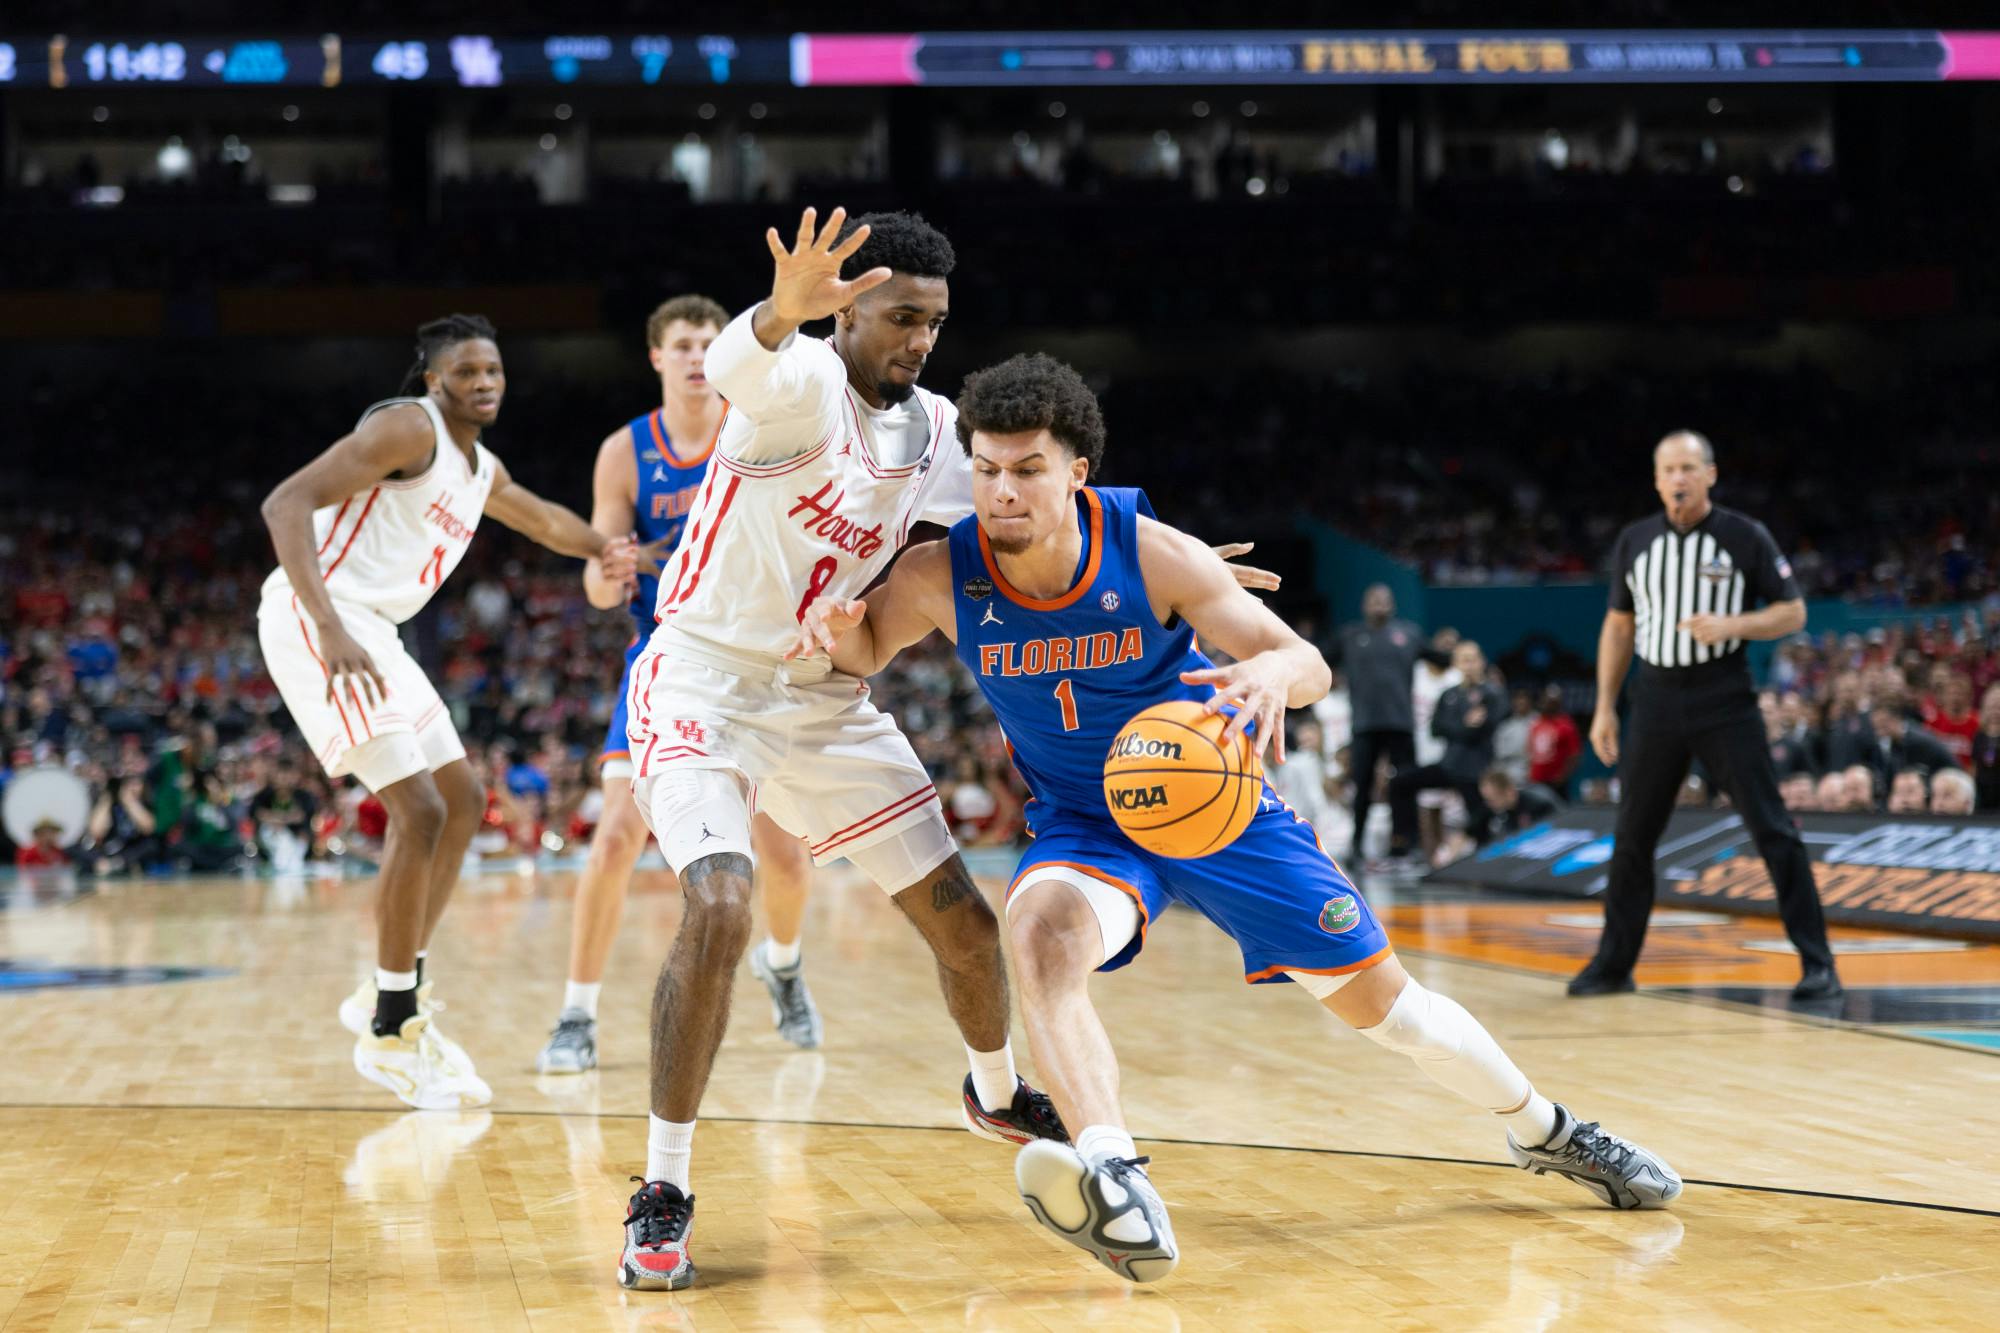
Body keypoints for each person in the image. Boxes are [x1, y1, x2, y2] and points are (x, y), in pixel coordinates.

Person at [793, 352, 1679, 1284]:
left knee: (1394, 1015)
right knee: (1040, 935)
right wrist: (831, 632)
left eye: (1026, 470)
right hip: (1088, 822)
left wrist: (1270, 673)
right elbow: (865, 642)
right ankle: (1114, 1171)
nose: (1001, 490)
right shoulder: (943, 571)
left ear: (1075, 473)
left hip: (1219, 807)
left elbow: (1307, 663)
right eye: (985, 469)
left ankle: (1546, 1129)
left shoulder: (1151, 553)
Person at [614, 208, 1275, 1291]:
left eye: (934, 319)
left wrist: (1186, 567)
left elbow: (1054, 506)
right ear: (849, 312)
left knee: (969, 931)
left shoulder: (932, 430)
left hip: (823, 694)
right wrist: (784, 309)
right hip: (701, 680)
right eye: (900, 315)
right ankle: (663, 1184)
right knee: (723, 902)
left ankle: (994, 1087)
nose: (920, 337)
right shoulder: (798, 386)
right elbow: (746, 361)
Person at [257, 313, 640, 1111]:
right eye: (467, 370)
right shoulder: (407, 427)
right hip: (319, 615)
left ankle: (390, 990)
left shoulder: (479, 468)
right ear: (434, 379)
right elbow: (285, 502)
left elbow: (541, 519)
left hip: (378, 631)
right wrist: (327, 626)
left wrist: (605, 549)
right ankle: (392, 1027)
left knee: (463, 799)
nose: (485, 381)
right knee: (418, 808)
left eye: (494, 369)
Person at [538, 295, 819, 1077]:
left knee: (787, 860)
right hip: (661, 657)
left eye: (710, 342)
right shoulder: (624, 452)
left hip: (756, 656)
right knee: (617, 835)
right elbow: (598, 582)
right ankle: (576, 1013)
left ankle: (785, 965)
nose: (699, 355)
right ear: (656, 356)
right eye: (684, 343)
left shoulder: (755, 426)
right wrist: (609, 569)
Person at [1577, 430, 1839, 1002]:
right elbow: (1619, 626)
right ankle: (1613, 964)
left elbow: (1793, 612)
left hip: (1724, 696)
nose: (1679, 478)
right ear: (1656, 479)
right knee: (1631, 839)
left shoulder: (1746, 536)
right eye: (1669, 469)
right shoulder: (1635, 541)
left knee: (1772, 828)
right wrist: (1603, 707)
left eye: (1689, 468)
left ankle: (1818, 964)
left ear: (1710, 475)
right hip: (1654, 698)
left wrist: (1735, 625)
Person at [1331, 585, 1427, 862]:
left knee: (1406, 784)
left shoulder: (1409, 634)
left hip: (1401, 723)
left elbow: (1440, 659)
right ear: (1364, 604)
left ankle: (1407, 845)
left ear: (1393, 605)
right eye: (1374, 600)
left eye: (1385, 600)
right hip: (1364, 724)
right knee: (1361, 785)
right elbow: (1319, 657)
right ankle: (1357, 844)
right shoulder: (1349, 635)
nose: (1379, 604)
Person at [1389, 640, 1504, 860]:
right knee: (1400, 781)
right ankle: (1405, 844)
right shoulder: (1449, 694)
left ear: (1481, 661)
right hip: (1449, 765)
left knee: (1480, 818)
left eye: (1472, 659)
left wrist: (1459, 727)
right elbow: (1436, 728)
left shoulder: (1493, 692)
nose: (1468, 665)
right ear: (1456, 664)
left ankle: (1486, 858)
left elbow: (1485, 727)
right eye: (1463, 660)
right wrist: (1464, 724)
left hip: (1477, 770)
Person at [1476, 768, 1566, 840]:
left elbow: (1560, 826)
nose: (1488, 804)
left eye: (1492, 799)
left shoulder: (1538, 803)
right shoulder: (1505, 813)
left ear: (1508, 791)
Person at [1527, 685, 1584, 797]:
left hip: (1556, 783)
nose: (1545, 704)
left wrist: (1563, 776)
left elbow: (1575, 755)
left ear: (1557, 704)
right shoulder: (1537, 722)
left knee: (1558, 813)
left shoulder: (1566, 725)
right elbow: (1531, 749)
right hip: (1536, 780)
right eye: (1544, 700)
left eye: (1550, 701)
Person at [1492, 689, 1533, 786]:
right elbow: (1498, 754)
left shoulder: (1539, 722)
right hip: (1510, 773)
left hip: (1533, 773)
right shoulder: (1506, 726)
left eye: (1523, 701)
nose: (1520, 704)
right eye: (1517, 702)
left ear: (1530, 703)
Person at [1973, 685, 2000, 811]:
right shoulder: (1978, 735)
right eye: (1992, 707)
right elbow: (1973, 765)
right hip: (1981, 793)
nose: (1996, 712)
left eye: (1999, 707)